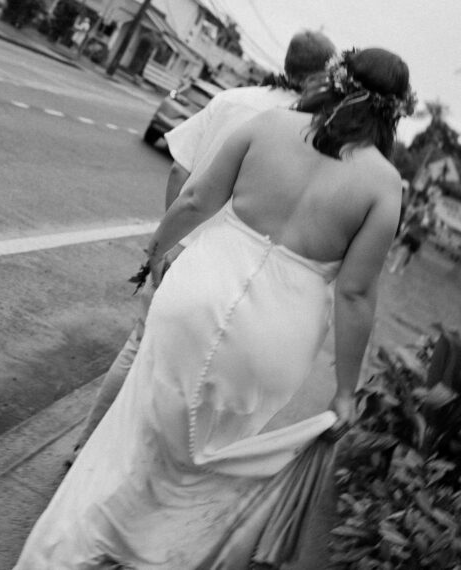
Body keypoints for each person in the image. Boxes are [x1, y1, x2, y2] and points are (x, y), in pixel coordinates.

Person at [15, 48, 414, 568]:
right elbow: (356, 293)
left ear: (332, 82)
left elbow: (195, 200)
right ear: (396, 113)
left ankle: (73, 546)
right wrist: (344, 391)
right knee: (212, 454)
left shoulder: (270, 125)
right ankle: (157, 553)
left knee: (140, 430)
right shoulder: (383, 185)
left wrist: (155, 253)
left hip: (197, 294)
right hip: (276, 338)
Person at [68, 31, 337, 461]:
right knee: (196, 382)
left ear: (286, 62)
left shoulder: (232, 100)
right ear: (323, 74)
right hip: (237, 272)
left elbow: (180, 171)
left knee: (139, 349)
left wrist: (167, 242)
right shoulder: (307, 130)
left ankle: (85, 447)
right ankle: (146, 464)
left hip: (183, 249)